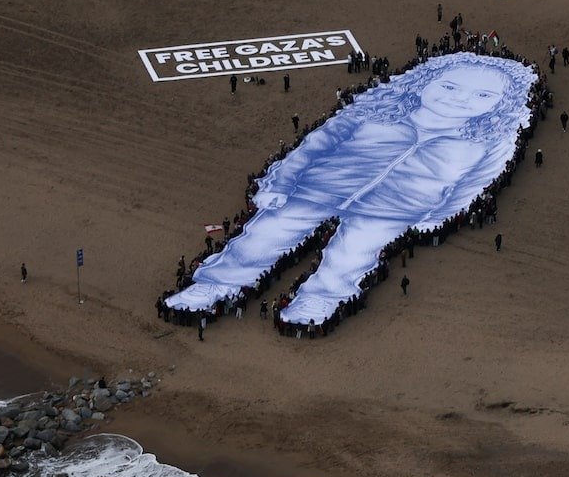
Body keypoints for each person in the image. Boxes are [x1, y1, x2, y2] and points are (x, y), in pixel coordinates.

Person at [166, 53, 537, 325]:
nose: (459, 99)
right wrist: (281, 181)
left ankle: (320, 299)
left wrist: (436, 215)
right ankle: (215, 284)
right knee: (265, 235)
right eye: (450, 85)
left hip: (393, 209)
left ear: (498, 107)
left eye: (482, 97)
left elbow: (477, 181)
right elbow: (316, 144)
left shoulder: (486, 143)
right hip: (318, 187)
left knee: (353, 255)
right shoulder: (373, 110)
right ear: (425, 83)